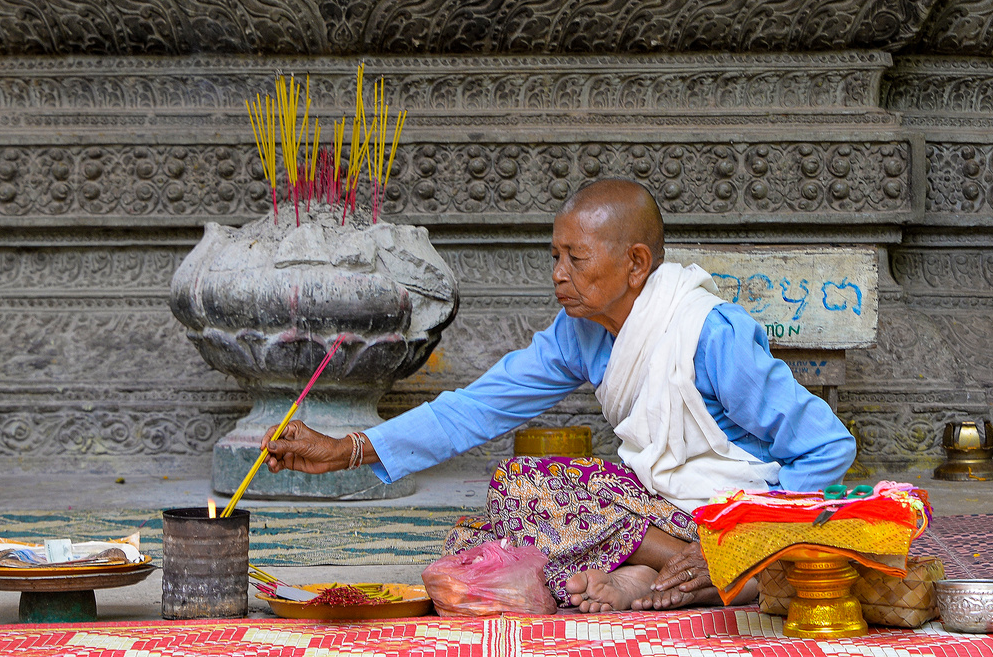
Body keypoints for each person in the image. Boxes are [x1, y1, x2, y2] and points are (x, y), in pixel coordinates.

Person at [262, 179, 856, 613]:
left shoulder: (710, 334)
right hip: (667, 511)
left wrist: (741, 537)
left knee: (519, 540)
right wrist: (351, 449)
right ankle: (672, 565)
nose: (558, 274)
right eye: (554, 256)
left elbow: (827, 448)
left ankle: (717, 570)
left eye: (576, 258)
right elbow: (481, 406)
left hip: (741, 513)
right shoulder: (580, 330)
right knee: (517, 489)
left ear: (636, 264)